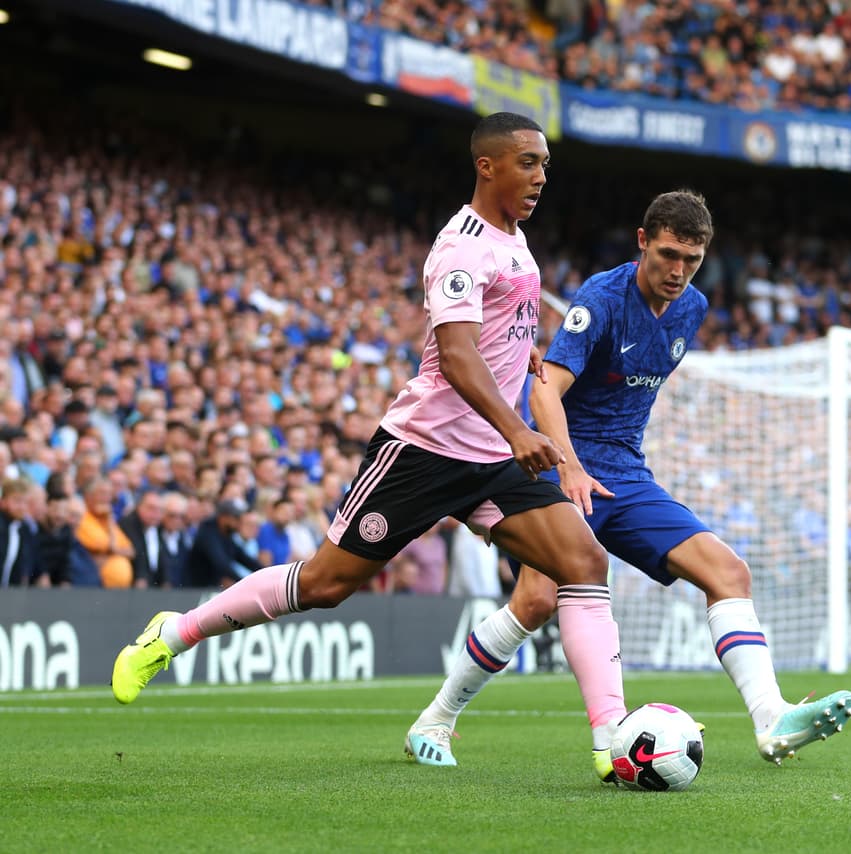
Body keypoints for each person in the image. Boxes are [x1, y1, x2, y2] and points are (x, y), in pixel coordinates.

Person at [110, 113, 628, 777]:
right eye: (527, 162)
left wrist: (517, 348)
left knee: (583, 562)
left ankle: (609, 741)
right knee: (326, 584)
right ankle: (174, 633)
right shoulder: (460, 245)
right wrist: (519, 428)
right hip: (427, 448)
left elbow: (489, 335)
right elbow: (457, 357)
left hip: (494, 460)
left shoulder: (515, 240)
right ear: (487, 166)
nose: (541, 176)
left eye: (545, 163)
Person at [407, 190, 851, 781]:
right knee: (537, 600)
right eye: (668, 255)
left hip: (626, 474)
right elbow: (545, 392)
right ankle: (436, 719)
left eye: (691, 261)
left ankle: (771, 718)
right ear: (643, 241)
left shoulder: (692, 308)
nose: (677, 271)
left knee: (729, 573)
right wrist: (569, 466)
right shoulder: (600, 297)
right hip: (561, 469)